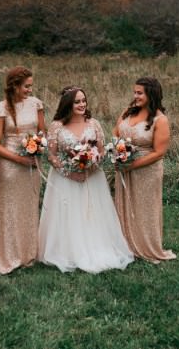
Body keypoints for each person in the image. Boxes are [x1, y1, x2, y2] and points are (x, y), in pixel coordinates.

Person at [38, 86, 134, 273]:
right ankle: (68, 251)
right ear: (68, 104)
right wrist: (69, 172)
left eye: (84, 100)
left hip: (92, 178)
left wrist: (93, 163)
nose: (82, 104)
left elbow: (101, 149)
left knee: (92, 214)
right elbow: (51, 155)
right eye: (77, 101)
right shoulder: (57, 126)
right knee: (70, 215)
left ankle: (97, 247)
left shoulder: (94, 124)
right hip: (65, 179)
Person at [0, 66, 45, 275]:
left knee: (29, 206)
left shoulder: (36, 104)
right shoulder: (1, 109)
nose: (29, 90)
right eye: (26, 86)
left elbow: (42, 131)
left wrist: (37, 146)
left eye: (31, 86)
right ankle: (6, 254)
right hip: (10, 166)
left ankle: (27, 253)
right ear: (15, 86)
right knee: (9, 208)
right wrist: (18, 158)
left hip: (32, 163)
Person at [113, 77, 176, 263]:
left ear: (151, 94)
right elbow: (116, 133)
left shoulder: (160, 120)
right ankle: (125, 245)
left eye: (139, 93)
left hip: (147, 170)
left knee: (145, 208)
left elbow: (159, 152)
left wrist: (132, 165)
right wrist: (118, 152)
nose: (135, 96)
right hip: (124, 167)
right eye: (135, 92)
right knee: (124, 205)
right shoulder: (127, 112)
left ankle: (146, 246)